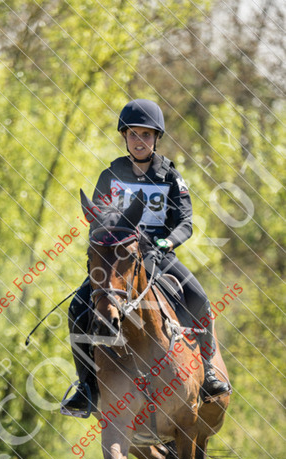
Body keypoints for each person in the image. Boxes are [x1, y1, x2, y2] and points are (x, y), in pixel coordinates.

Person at [61, 98, 230, 417]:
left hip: (157, 255)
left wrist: (167, 241)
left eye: (146, 135)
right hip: (118, 261)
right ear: (124, 137)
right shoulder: (111, 174)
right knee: (77, 307)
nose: (140, 141)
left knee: (199, 299)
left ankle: (207, 371)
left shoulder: (170, 176)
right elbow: (97, 222)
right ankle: (86, 386)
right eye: (133, 134)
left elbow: (186, 222)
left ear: (156, 138)